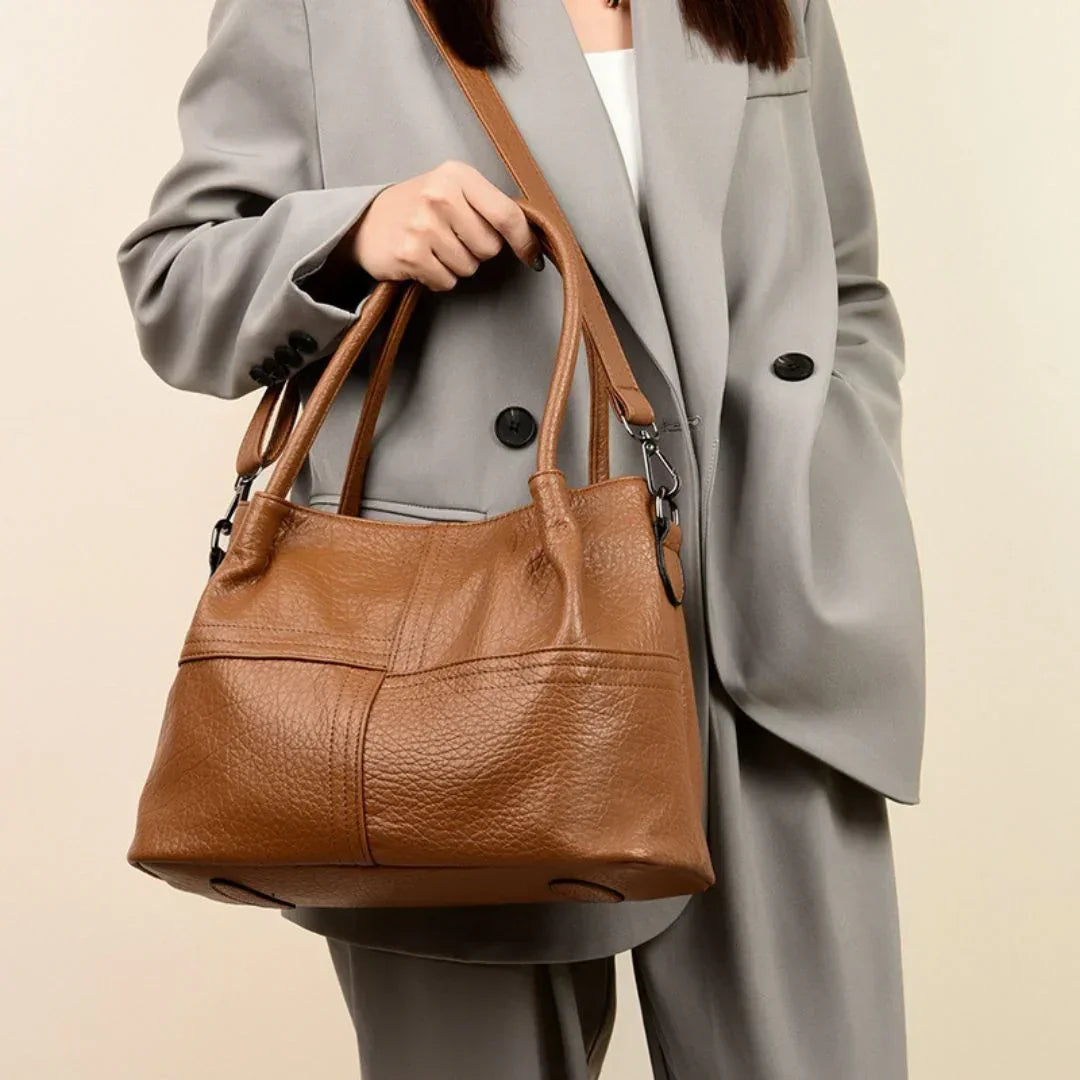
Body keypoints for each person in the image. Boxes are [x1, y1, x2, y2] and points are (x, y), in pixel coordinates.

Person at [117, 0, 925, 1076]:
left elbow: (849, 283)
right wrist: (351, 234)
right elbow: (175, 283)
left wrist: (837, 479)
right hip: (465, 665)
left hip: (762, 630)